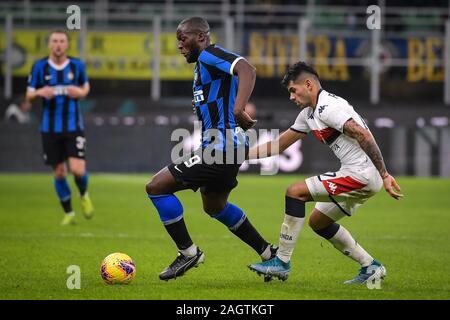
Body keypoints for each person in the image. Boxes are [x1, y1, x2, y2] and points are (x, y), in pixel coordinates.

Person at [146, 17, 277, 281]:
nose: (180, 46)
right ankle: (268, 255)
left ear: (201, 37)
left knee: (156, 187)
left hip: (221, 147)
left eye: (183, 39)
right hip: (230, 147)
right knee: (215, 206)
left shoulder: (209, 55)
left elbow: (247, 69)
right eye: (177, 41)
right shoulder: (201, 68)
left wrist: (239, 108)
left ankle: (188, 252)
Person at [248, 61, 403, 284]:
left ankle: (281, 262)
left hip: (361, 174)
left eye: (293, 90)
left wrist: (385, 174)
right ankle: (371, 266)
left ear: (309, 84)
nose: (291, 97)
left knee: (295, 192)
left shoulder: (328, 107)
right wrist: (240, 155)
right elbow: (278, 146)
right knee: (318, 222)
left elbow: (364, 136)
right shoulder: (308, 114)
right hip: (359, 174)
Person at [25, 29, 94, 226]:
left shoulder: (76, 65)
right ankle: (69, 213)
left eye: (62, 41)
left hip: (74, 126)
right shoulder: (39, 67)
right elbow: (28, 96)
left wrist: (79, 92)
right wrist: (40, 92)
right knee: (59, 173)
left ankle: (83, 193)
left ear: (67, 44)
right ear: (49, 44)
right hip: (49, 128)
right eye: (54, 41)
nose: (58, 45)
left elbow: (86, 88)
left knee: (78, 170)